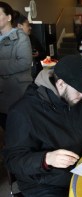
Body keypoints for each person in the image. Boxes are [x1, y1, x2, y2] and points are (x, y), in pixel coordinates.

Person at [3, 55, 82, 197]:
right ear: (61, 84)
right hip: (41, 183)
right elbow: (13, 161)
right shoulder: (23, 112)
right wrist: (47, 159)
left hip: (76, 171)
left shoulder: (77, 101)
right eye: (79, 90)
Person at [0, 2, 32, 130]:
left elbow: (24, 62)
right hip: (2, 93)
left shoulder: (20, 37)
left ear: (9, 17)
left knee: (15, 129)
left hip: (16, 93)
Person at [13, 11, 45, 78]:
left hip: (35, 76)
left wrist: (38, 54)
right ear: (19, 26)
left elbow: (44, 53)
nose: (30, 28)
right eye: (28, 25)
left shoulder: (33, 38)